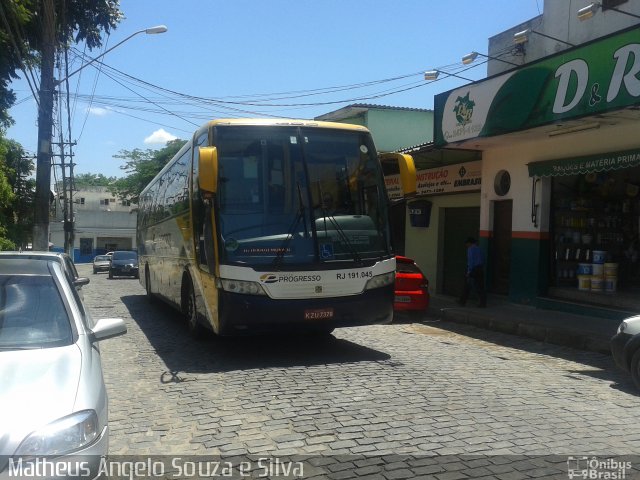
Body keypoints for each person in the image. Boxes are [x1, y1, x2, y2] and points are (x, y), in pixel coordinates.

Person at [459, 237, 487, 307]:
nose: (466, 245)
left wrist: (469, 272)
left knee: (467, 286)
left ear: (469, 243)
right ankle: (483, 303)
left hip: (473, 270)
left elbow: (471, 261)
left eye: (467, 243)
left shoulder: (470, 249)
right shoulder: (479, 249)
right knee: (480, 287)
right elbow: (483, 259)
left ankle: (462, 301)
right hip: (480, 269)